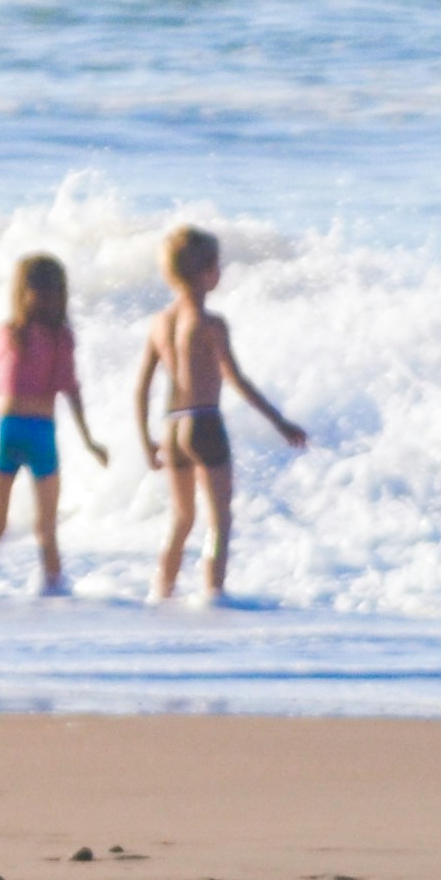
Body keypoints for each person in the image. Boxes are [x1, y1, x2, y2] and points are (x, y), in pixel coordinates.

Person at [133, 224, 306, 603]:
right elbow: (236, 379)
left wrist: (146, 440)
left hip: (171, 424)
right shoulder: (210, 324)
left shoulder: (159, 324)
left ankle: (161, 592)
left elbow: (142, 388)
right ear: (207, 272)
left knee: (181, 519)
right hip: (204, 422)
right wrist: (279, 421)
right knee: (219, 519)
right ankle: (213, 593)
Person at [0, 253, 106, 597]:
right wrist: (89, 441)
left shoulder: (9, 332)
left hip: (6, 429)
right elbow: (70, 389)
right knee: (46, 527)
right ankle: (54, 588)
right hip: (42, 433)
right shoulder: (62, 339)